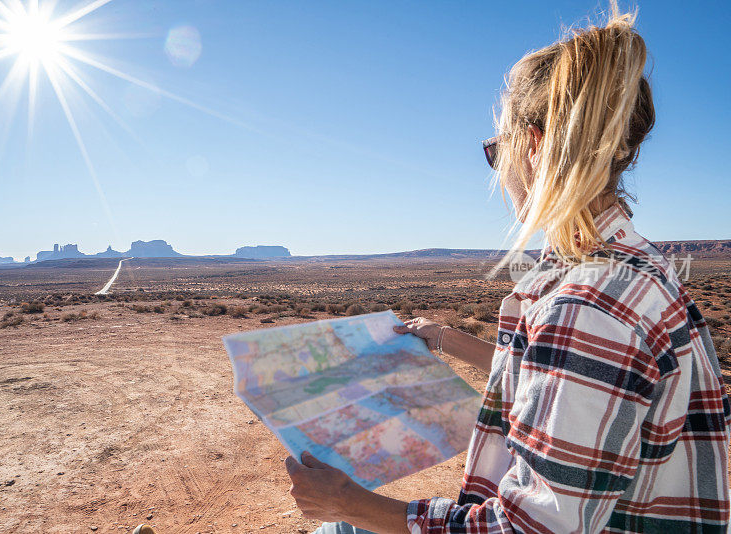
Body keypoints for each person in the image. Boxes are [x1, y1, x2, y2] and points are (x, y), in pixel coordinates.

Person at [283, 5, 731, 533]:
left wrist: (352, 505)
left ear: (535, 148)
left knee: (340, 529)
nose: (500, 170)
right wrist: (444, 337)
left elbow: (530, 527)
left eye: (497, 151)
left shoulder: (587, 307)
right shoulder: (635, 269)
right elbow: (555, 375)